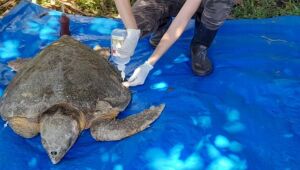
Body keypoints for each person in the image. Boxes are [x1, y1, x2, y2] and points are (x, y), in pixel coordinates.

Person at [114, 0, 235, 87]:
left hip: (202, 4)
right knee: (136, 21)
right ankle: (162, 26)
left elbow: (182, 19)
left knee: (219, 2)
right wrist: (132, 31)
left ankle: (200, 45)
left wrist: (148, 64)